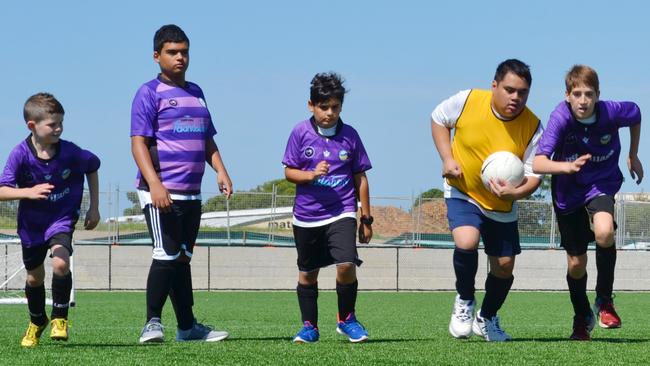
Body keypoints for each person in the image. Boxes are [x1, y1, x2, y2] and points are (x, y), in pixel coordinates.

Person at [131, 24, 233, 343]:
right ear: (156, 55)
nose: (180, 58)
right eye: (172, 52)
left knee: (183, 258)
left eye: (184, 52)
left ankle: (187, 327)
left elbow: (207, 140)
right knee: (165, 253)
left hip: (192, 193)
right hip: (160, 191)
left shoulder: (196, 92)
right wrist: (155, 184)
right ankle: (152, 323)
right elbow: (138, 143)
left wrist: (221, 170)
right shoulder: (148, 93)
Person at [430, 59, 543, 342]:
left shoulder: (532, 126)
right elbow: (438, 119)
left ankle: (487, 317)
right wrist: (447, 159)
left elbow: (534, 176)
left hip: (502, 205)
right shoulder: (468, 100)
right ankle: (465, 301)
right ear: (494, 86)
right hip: (463, 190)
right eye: (509, 89)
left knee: (504, 266)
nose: (516, 97)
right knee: (466, 241)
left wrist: (514, 193)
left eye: (523, 92)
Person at [533, 65, 643, 340]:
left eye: (589, 94)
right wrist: (566, 168)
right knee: (576, 263)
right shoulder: (561, 117)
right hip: (568, 193)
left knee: (605, 231)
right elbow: (538, 162)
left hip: (600, 184)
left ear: (598, 95)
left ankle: (604, 301)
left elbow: (637, 113)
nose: (583, 100)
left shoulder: (611, 112)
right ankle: (582, 315)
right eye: (577, 94)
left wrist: (633, 154)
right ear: (567, 95)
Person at [0, 93, 100, 347]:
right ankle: (37, 321)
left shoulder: (71, 152)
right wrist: (27, 192)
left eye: (61, 123)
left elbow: (92, 166)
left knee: (60, 263)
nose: (59, 129)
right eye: (52, 124)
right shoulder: (20, 154)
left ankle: (60, 318)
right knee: (34, 278)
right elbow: (2, 190)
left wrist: (94, 208)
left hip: (61, 219)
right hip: (32, 225)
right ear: (32, 126)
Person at [282, 72, 373, 343]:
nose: (329, 113)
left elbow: (361, 178)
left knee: (346, 264)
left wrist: (365, 218)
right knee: (308, 274)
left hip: (342, 211)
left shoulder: (350, 136)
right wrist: (310, 175)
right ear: (311, 105)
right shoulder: (300, 132)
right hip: (307, 216)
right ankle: (309, 326)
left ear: (341, 106)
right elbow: (289, 172)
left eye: (335, 107)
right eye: (324, 107)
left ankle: (347, 319)